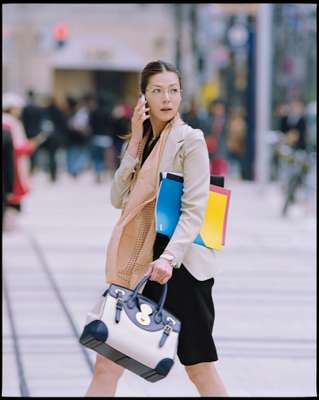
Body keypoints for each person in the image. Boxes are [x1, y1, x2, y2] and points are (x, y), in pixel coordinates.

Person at [85, 60, 228, 397]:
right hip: (138, 265)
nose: (167, 98)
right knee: (107, 361)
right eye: (158, 91)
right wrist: (135, 142)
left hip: (178, 268)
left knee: (199, 367)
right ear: (144, 98)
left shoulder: (189, 141)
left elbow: (195, 210)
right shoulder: (141, 141)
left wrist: (168, 259)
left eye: (174, 90)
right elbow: (117, 197)